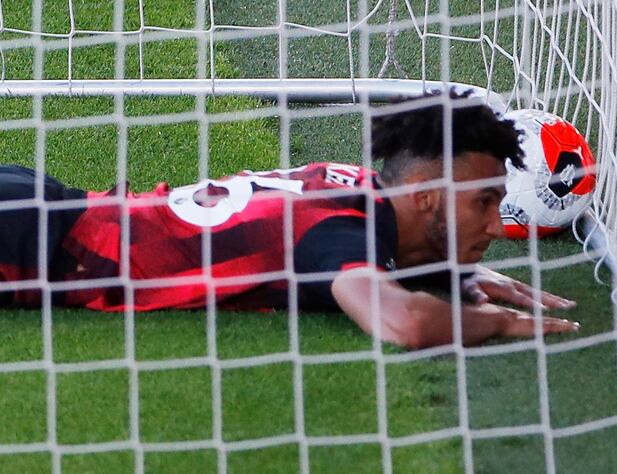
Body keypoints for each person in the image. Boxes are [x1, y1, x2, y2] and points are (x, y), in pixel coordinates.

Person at [0, 90, 579, 348]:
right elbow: (405, 324)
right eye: (483, 202)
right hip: (32, 245)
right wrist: (499, 325)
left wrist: (444, 271)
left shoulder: (350, 180)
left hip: (44, 206)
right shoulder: (339, 235)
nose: (497, 226)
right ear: (424, 192)